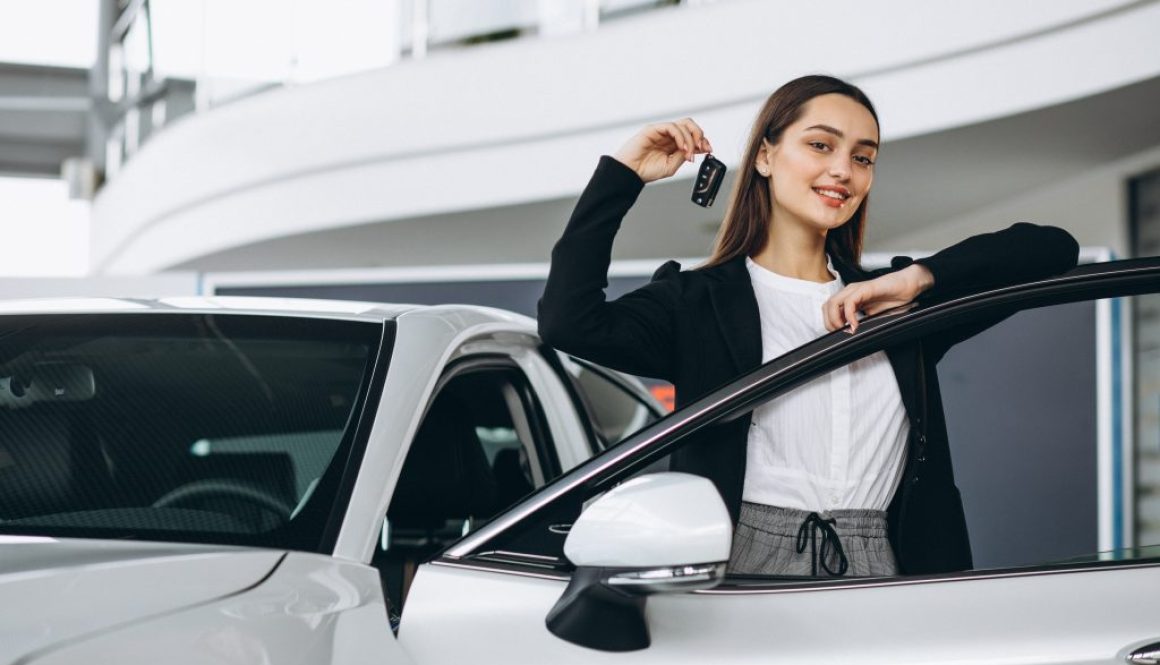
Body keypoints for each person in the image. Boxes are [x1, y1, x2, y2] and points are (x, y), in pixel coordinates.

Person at [538, 75, 1079, 577]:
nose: (844, 170)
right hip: (743, 561)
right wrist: (623, 174)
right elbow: (570, 322)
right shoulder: (699, 303)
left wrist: (917, 280)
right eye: (821, 145)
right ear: (767, 156)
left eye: (863, 157)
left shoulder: (892, 304)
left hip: (888, 564)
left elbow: (1052, 248)